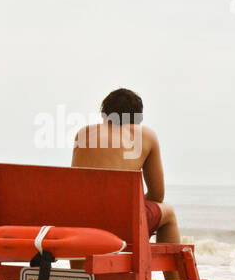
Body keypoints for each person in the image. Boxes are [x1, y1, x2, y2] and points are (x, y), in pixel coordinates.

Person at [71, 87, 181, 250]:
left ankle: (82, 274)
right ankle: (174, 277)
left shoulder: (84, 133)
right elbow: (157, 195)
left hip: (81, 222)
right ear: (138, 119)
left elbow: (76, 187)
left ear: (104, 115)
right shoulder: (145, 135)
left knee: (84, 209)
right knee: (169, 213)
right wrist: (131, 205)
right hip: (123, 223)